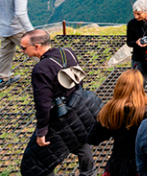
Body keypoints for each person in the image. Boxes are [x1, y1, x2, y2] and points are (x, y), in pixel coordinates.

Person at [19, 30, 101, 176]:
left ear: (37, 46)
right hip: (79, 107)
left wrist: (41, 132)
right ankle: (89, 173)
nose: (22, 51)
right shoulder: (67, 53)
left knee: (39, 158)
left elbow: (42, 104)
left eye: (24, 48)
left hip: (60, 116)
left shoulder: (41, 69)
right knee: (81, 142)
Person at [88, 69, 147, 176]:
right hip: (140, 166)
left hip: (117, 166)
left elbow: (92, 138)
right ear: (140, 88)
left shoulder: (110, 111)